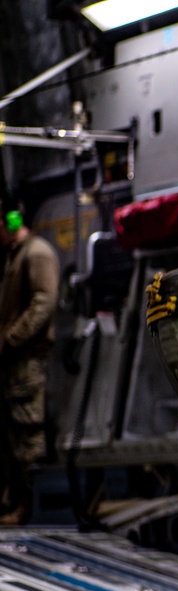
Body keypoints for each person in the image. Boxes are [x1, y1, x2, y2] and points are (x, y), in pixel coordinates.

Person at [0, 207, 60, 526]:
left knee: (27, 435)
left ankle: (29, 508)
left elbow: (43, 303)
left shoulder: (36, 253)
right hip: (12, 362)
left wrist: (11, 339)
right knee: (11, 435)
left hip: (26, 361)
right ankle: (13, 502)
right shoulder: (15, 255)